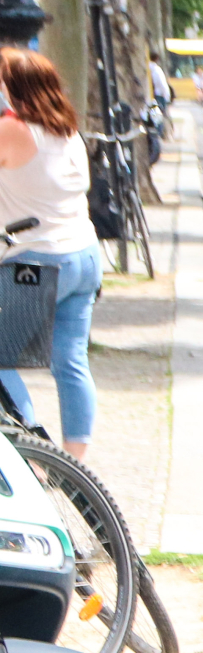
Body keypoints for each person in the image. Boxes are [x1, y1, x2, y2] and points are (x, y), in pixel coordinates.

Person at [0, 51, 100, 462]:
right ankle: (76, 467)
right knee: (71, 363)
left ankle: (33, 456)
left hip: (36, 263)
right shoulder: (67, 130)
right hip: (84, 256)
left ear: (12, 88)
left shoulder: (12, 130)